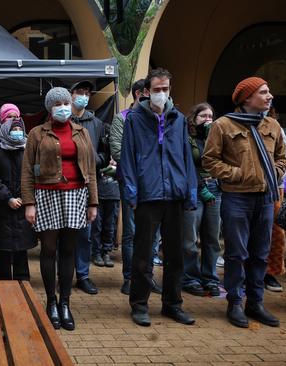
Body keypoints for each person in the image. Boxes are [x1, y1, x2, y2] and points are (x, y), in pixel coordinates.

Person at [203, 77, 286, 328]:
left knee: (260, 254)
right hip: (237, 197)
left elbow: (283, 157)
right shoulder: (223, 125)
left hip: (265, 198)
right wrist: (238, 175)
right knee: (237, 254)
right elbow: (210, 161)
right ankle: (235, 303)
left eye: (269, 91)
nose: (269, 95)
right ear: (247, 98)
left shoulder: (272, 125)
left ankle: (256, 303)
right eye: (263, 92)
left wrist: (276, 171)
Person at [120, 68, 197, 327]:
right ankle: (139, 304)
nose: (161, 94)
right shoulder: (134, 119)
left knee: (175, 255)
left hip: (174, 194)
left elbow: (187, 158)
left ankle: (172, 304)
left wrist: (190, 191)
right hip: (147, 195)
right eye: (157, 90)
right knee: (143, 255)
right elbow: (128, 158)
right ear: (146, 92)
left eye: (165, 89)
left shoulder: (179, 119)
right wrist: (131, 193)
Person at [22, 87, 98, 331]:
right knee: (49, 249)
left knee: (68, 250)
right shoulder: (36, 133)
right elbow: (26, 171)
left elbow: (91, 170)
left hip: (77, 194)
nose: (64, 107)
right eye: (58, 104)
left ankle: (65, 303)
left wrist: (93, 202)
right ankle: (51, 302)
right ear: (50, 108)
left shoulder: (82, 132)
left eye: (66, 102)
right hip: (46, 194)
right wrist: (29, 203)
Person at [109, 79, 163, 296]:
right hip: (132, 184)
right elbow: (117, 150)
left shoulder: (160, 119)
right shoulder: (122, 119)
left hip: (156, 186)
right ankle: (130, 277)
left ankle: (147, 276)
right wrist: (143, 169)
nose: (158, 96)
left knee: (154, 234)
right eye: (153, 91)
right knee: (131, 232)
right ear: (140, 94)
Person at [69, 80, 110, 295]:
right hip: (65, 184)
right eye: (79, 92)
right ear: (71, 94)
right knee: (64, 234)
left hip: (87, 185)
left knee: (85, 234)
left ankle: (83, 275)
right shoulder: (62, 119)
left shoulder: (97, 123)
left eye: (86, 92)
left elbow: (106, 153)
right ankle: (64, 274)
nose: (83, 95)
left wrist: (95, 159)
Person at [181, 103, 222, 297]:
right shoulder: (188, 138)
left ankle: (210, 279)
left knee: (212, 238)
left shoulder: (217, 138)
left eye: (210, 116)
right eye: (203, 116)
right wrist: (201, 187)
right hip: (194, 189)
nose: (208, 119)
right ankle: (190, 278)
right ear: (194, 118)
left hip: (216, 189)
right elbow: (186, 165)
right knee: (190, 239)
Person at [0, 116, 35, 280]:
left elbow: (32, 176)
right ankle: (2, 284)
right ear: (6, 131)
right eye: (13, 129)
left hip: (23, 205)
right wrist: (8, 198)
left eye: (19, 129)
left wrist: (24, 197)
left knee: (22, 249)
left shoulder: (28, 149)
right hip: (2, 207)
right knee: (3, 249)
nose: (17, 132)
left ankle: (23, 283)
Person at [264, 115, 286, 293]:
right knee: (245, 232)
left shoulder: (276, 127)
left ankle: (270, 273)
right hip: (244, 188)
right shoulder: (233, 124)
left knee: (275, 231)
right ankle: (244, 273)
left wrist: (274, 175)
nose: (268, 98)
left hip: (274, 187)